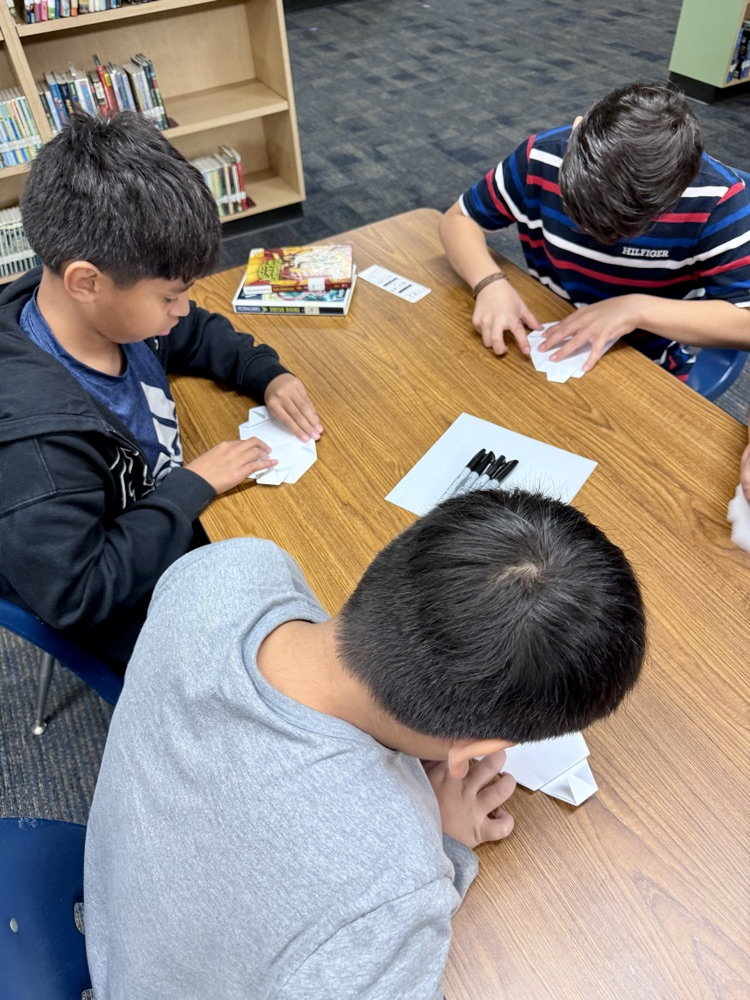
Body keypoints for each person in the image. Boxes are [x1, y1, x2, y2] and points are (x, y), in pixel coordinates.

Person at [84, 487, 647, 999]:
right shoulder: (391, 892)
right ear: (474, 747)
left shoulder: (231, 565)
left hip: (125, 918)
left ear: (396, 551)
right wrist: (441, 846)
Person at [0, 112, 322, 669]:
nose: (181, 311)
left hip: (171, 526)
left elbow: (194, 329)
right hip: (129, 604)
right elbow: (80, 594)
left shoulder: (114, 317)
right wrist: (188, 488)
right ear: (86, 282)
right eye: (170, 296)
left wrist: (263, 372)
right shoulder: (35, 451)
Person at [439, 81, 750, 378]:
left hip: (644, 360)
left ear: (678, 189)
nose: (584, 230)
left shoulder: (721, 201)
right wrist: (488, 282)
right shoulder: (541, 156)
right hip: (548, 322)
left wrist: (636, 310)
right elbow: (459, 219)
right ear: (575, 133)